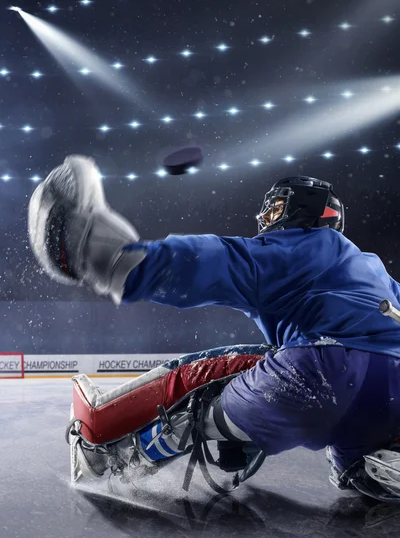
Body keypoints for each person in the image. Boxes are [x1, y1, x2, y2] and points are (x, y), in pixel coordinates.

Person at [28, 155, 400, 501]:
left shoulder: (302, 246)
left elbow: (221, 262)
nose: (266, 219)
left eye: (275, 208)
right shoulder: (375, 270)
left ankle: (110, 453)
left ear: (303, 211)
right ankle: (369, 465)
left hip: (319, 376)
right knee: (351, 458)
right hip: (392, 392)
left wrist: (120, 262)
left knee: (222, 373)